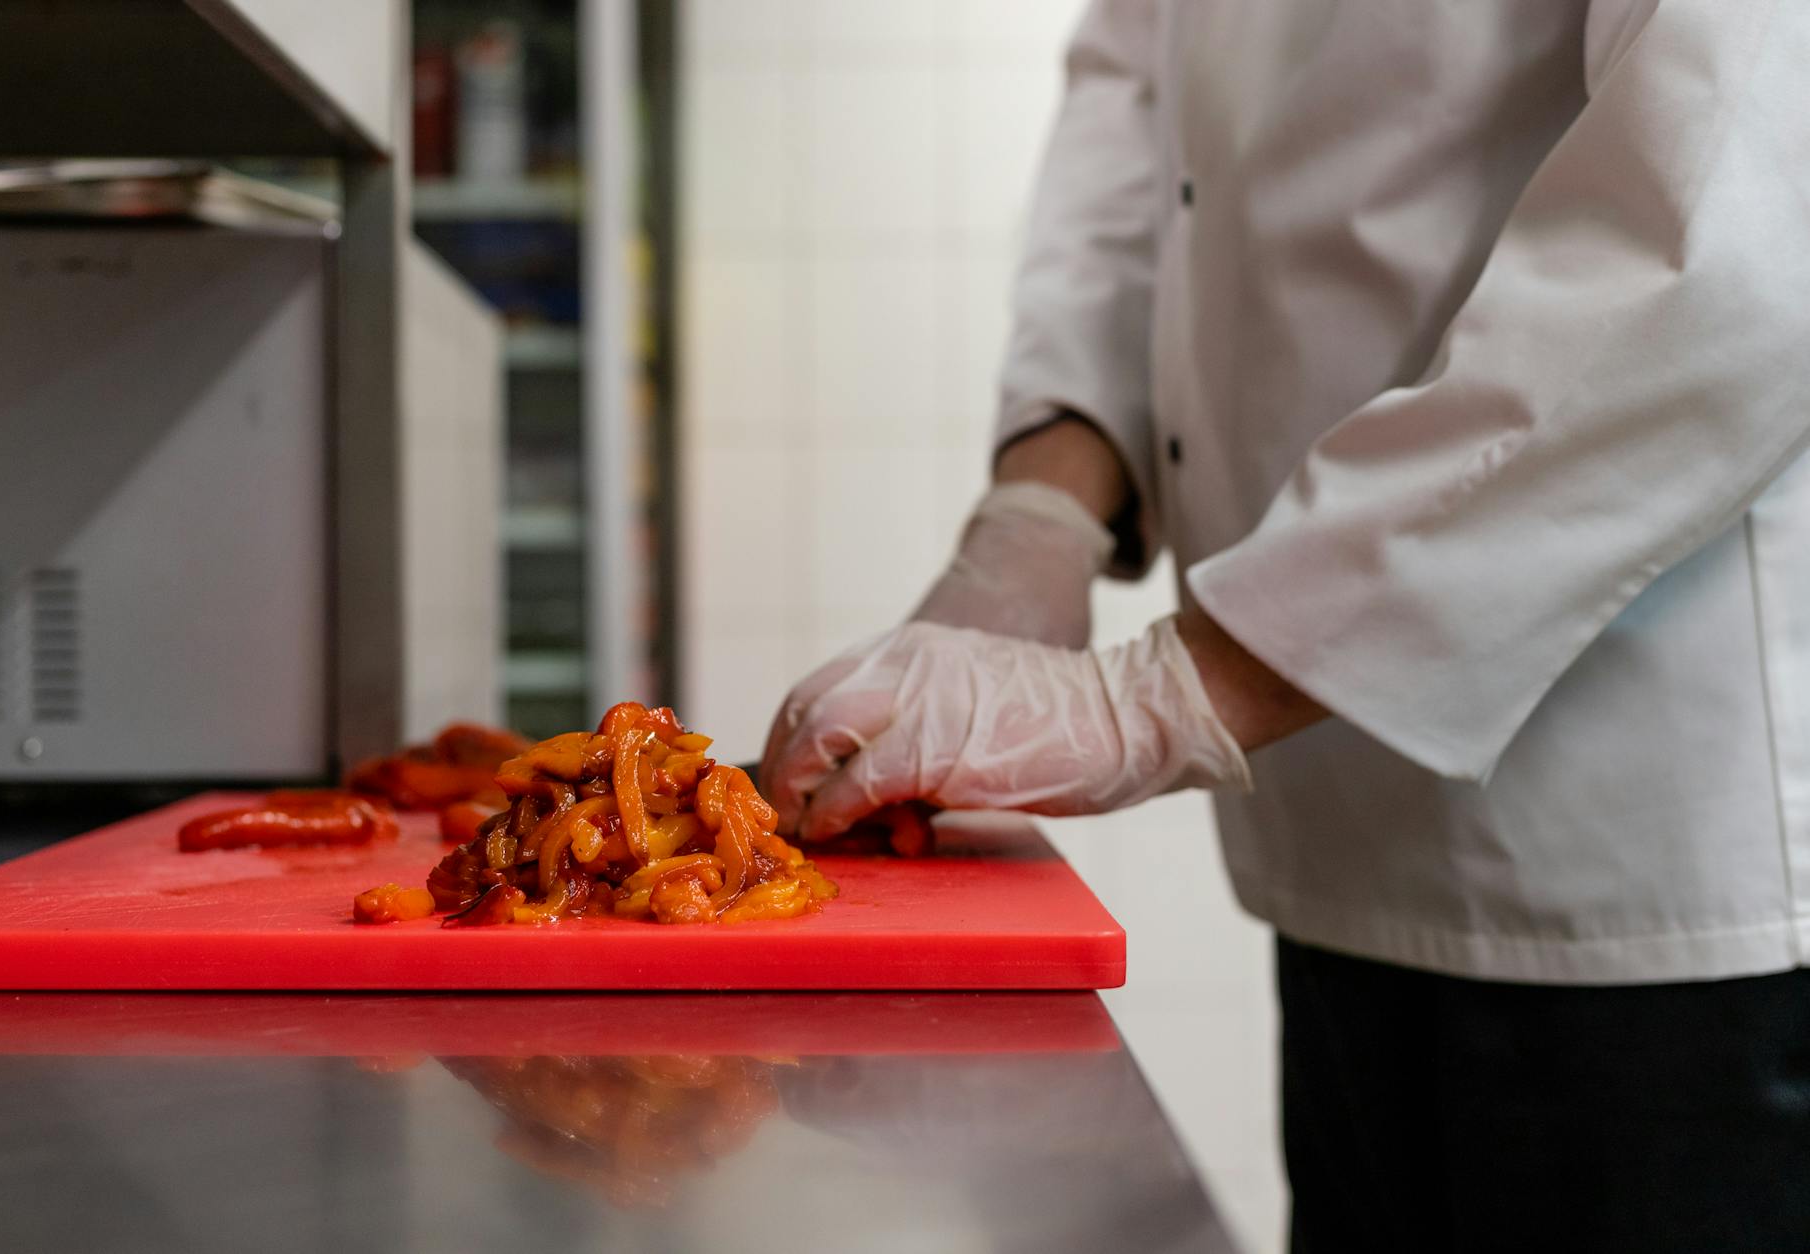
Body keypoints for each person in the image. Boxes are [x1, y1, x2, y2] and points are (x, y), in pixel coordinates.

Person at [757, 2, 1810, 1250]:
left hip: (1650, 878)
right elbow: (1139, 124)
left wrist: (1159, 698)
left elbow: (1726, 244)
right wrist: (1043, 502)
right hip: (1328, 843)